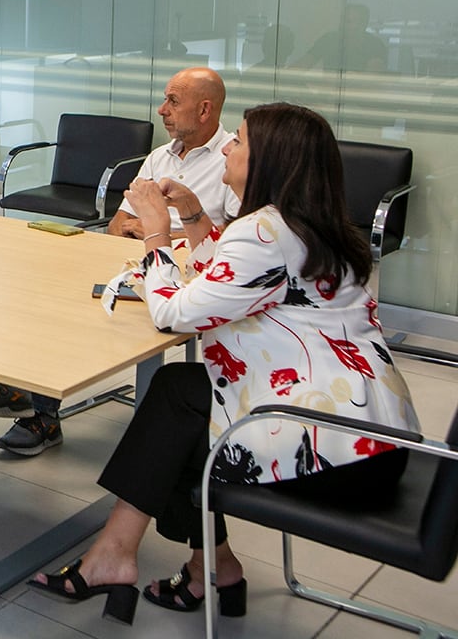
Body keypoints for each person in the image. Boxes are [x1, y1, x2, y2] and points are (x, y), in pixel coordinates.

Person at [27, 102, 418, 625]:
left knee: (179, 405)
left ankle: (120, 557)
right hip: (376, 438)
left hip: (330, 452)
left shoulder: (264, 233)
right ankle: (205, 566)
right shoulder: (308, 226)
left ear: (270, 162)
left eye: (239, 140)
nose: (228, 148)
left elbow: (173, 314)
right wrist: (192, 213)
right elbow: (225, 274)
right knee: (184, 398)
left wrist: (155, 233)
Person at [0, 67, 239, 457]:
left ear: (205, 110)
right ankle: (27, 392)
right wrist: (144, 231)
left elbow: (228, 244)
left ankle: (36, 408)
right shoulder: (159, 157)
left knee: (84, 315)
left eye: (173, 101)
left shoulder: (232, 162)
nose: (161, 111)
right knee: (51, 292)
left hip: (187, 276)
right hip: (136, 261)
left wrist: (160, 233)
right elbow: (119, 222)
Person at [291, 3, 387, 73]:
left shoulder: (375, 45)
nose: (344, 25)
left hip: (360, 97)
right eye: (343, 20)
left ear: (363, 24)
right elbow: (303, 64)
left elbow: (371, 78)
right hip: (329, 96)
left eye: (349, 21)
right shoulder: (329, 40)